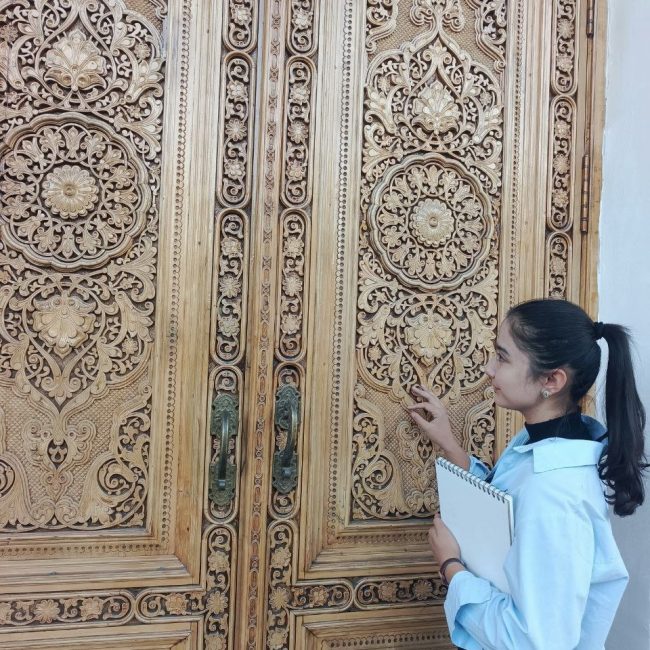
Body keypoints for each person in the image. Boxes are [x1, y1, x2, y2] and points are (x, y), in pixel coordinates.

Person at [407, 298, 647, 650]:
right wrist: (451, 446)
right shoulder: (549, 441)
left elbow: (534, 641)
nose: (489, 369)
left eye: (502, 358)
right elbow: (507, 506)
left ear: (552, 380)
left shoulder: (554, 495)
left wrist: (451, 567)